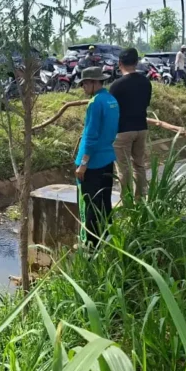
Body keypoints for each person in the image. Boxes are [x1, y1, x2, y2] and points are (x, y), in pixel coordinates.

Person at [74, 67, 119, 246]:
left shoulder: (95, 102)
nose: (83, 87)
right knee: (104, 201)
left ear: (94, 82)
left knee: (89, 205)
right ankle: (106, 237)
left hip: (92, 163)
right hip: (107, 159)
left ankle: (90, 245)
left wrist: (83, 164)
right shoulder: (112, 100)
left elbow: (91, 136)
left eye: (85, 83)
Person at [110, 47, 151, 201]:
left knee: (123, 168)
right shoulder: (146, 82)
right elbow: (146, 104)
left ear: (120, 63)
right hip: (141, 128)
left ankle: (126, 203)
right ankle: (139, 199)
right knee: (139, 165)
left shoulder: (117, 85)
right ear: (136, 62)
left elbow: (111, 110)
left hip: (123, 131)